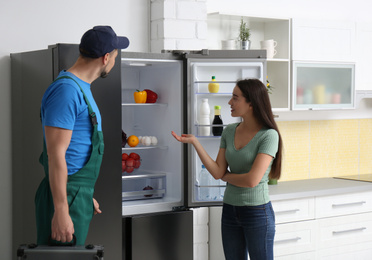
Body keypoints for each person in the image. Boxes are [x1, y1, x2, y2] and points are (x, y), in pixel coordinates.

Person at [35, 26, 129, 246]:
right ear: (106, 58)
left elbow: (75, 150)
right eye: (115, 56)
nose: (115, 62)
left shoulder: (81, 88)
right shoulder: (67, 90)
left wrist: (84, 194)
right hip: (64, 196)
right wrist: (61, 209)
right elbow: (56, 154)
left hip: (74, 194)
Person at [172, 78, 282, 260]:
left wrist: (226, 177)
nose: (230, 102)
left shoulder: (269, 136)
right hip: (230, 209)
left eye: (235, 97)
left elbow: (251, 180)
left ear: (251, 103)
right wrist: (195, 142)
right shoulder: (229, 131)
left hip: (257, 212)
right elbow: (217, 172)